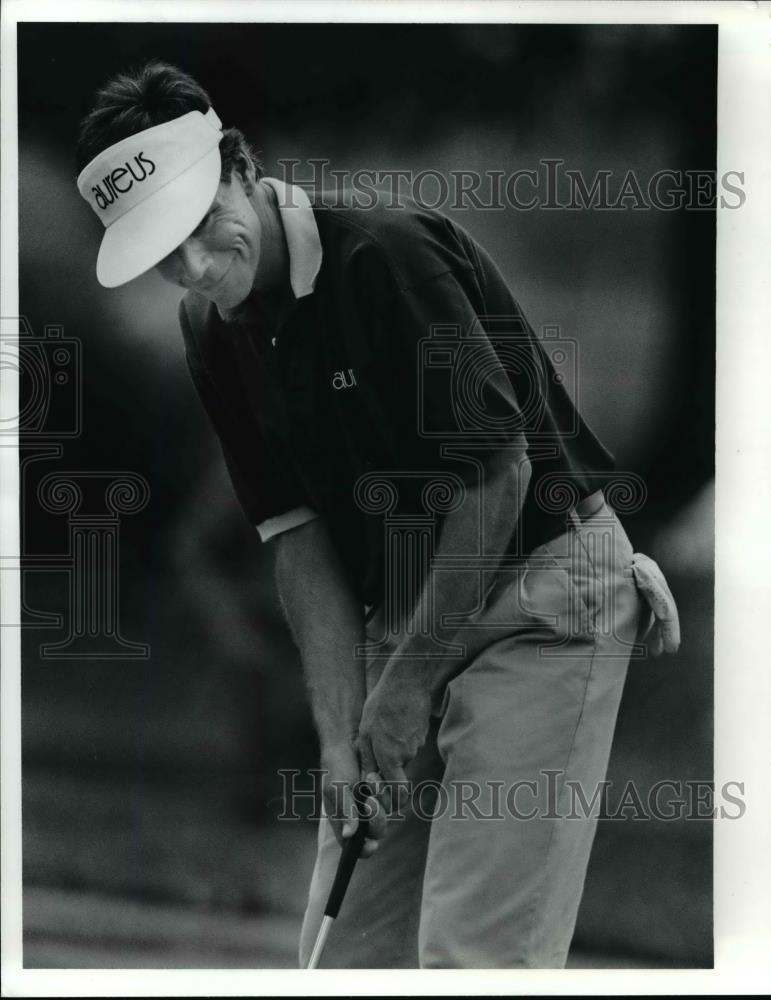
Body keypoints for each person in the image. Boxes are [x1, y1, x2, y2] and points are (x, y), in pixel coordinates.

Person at [75, 61, 680, 969]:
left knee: (473, 953)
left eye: (203, 226)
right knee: (352, 952)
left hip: (545, 599)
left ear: (240, 165)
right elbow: (297, 534)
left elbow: (497, 477)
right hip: (404, 613)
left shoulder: (384, 256)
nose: (196, 267)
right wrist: (338, 738)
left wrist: (400, 694)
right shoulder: (211, 329)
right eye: (166, 254)